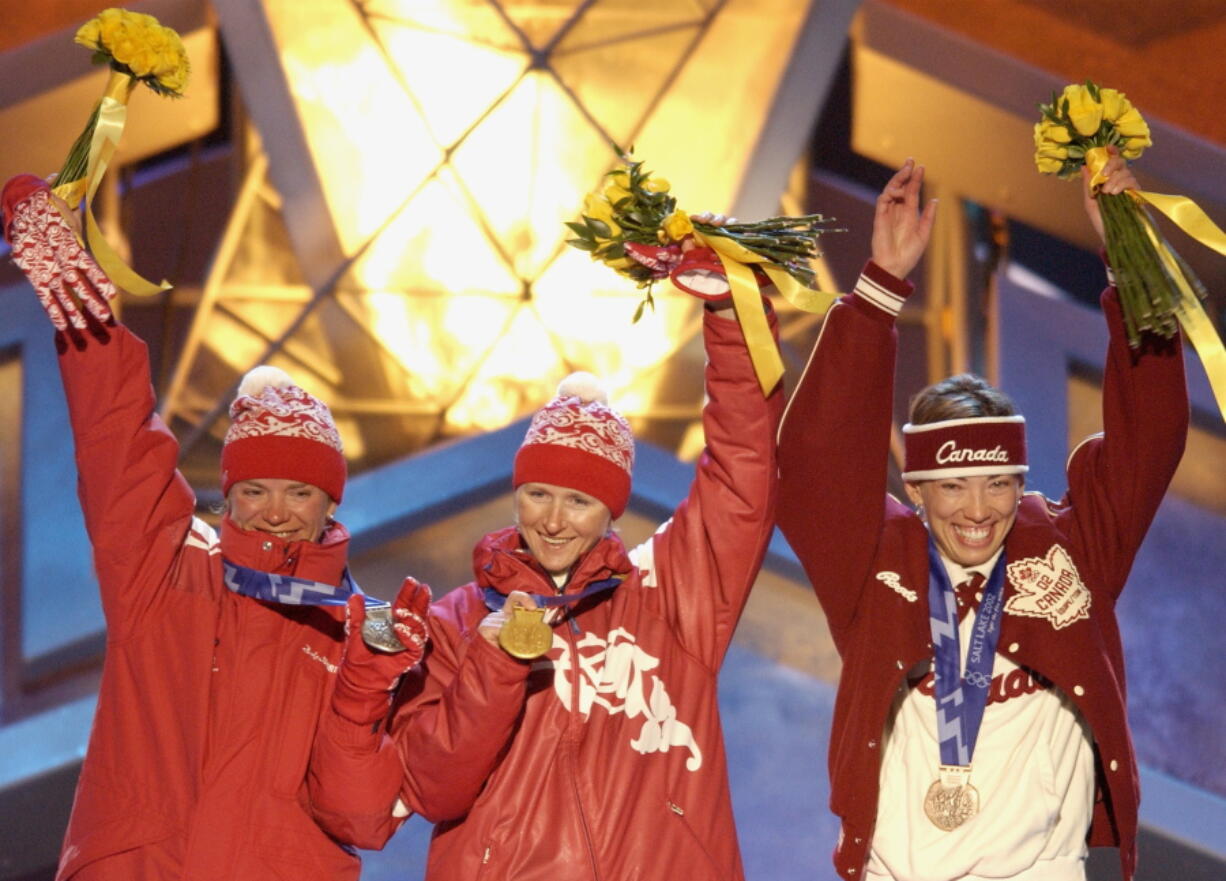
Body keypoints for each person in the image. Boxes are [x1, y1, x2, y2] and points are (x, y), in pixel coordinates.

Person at [2, 174, 430, 881]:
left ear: (332, 504)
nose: (273, 509)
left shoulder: (365, 633)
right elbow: (119, 439)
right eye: (253, 488)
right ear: (227, 494)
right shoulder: (165, 570)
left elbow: (361, 816)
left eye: (299, 491)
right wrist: (81, 305)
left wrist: (364, 689)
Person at [776, 150, 1188, 881]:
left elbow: (1149, 438)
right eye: (954, 486)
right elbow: (814, 464)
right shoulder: (878, 562)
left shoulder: (1069, 548)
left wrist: (1129, 256)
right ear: (919, 487)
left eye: (998, 483)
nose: (978, 510)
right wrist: (878, 290)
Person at [307, 251, 785, 879]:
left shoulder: (668, 594)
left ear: (612, 510)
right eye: (538, 494)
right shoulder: (456, 620)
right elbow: (433, 788)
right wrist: (497, 665)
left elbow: (742, 476)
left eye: (580, 501)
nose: (554, 520)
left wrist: (730, 315)